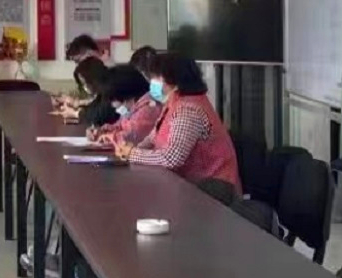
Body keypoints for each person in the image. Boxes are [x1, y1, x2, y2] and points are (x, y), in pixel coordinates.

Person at [115, 53, 241, 191]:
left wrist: (133, 154)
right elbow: (153, 138)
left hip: (212, 188)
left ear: (173, 80)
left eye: (156, 77)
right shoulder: (173, 103)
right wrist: (132, 149)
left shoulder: (189, 109)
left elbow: (172, 159)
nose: (152, 82)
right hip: (188, 184)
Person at [90, 64, 160, 146]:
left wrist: (106, 137)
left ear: (125, 94)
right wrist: (103, 131)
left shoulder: (148, 109)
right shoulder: (133, 108)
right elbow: (121, 126)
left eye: (112, 99)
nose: (112, 105)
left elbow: (132, 138)